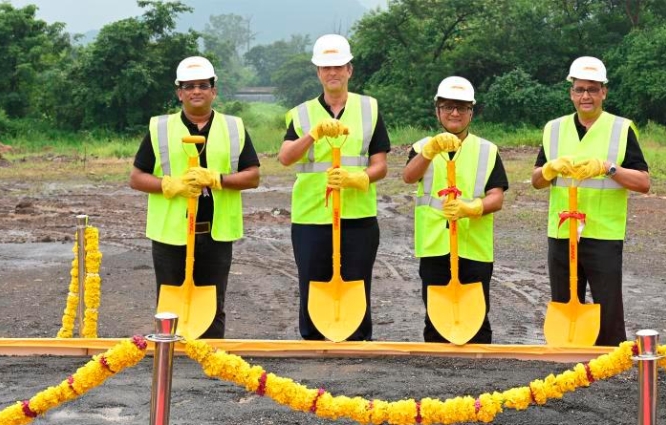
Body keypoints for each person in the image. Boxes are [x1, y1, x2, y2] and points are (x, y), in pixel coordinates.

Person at [130, 56, 261, 339]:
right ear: (179, 93)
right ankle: (170, 357)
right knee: (170, 305)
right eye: (189, 86)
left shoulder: (234, 128)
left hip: (215, 233)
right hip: (171, 235)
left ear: (214, 90)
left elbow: (253, 176)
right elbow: (136, 177)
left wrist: (218, 180)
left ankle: (212, 364)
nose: (196, 91)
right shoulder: (160, 128)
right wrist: (170, 185)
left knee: (213, 305)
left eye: (203, 85)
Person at [277, 34, 390, 341]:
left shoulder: (369, 110)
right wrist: (312, 134)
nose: (333, 73)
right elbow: (285, 157)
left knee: (355, 279)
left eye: (339, 66)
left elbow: (380, 164)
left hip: (358, 214)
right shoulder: (301, 114)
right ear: (318, 72)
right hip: (312, 215)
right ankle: (313, 339)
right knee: (312, 281)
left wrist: (361, 178)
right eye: (326, 67)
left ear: (350, 70)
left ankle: (356, 337)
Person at [531, 56, 650, 346]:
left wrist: (608, 167)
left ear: (603, 92)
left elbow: (643, 182)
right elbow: (536, 181)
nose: (586, 96)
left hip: (603, 234)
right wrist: (548, 169)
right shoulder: (554, 129)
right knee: (564, 300)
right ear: (571, 92)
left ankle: (610, 362)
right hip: (561, 232)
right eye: (580, 89)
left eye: (593, 89)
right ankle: (567, 360)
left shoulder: (621, 129)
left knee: (608, 307)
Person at [403, 76, 508, 344]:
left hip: (474, 246)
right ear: (437, 110)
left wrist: (472, 207)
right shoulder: (421, 147)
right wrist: (429, 151)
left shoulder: (487, 150)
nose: (454, 113)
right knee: (436, 317)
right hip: (435, 245)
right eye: (448, 106)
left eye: (462, 107)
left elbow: (497, 198)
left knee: (477, 316)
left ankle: (480, 368)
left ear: (471, 112)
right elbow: (408, 176)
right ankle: (437, 369)